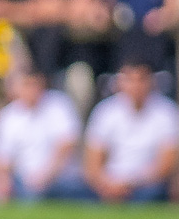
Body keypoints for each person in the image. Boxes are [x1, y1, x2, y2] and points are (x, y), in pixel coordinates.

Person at [71, 60, 178, 203]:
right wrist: (108, 184)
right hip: (108, 183)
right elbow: (92, 163)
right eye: (130, 80)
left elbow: (166, 165)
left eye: (140, 80)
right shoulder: (105, 111)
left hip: (148, 184)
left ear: (151, 82)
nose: (135, 86)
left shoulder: (166, 112)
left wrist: (129, 183)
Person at [0, 67, 83, 202]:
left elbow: (67, 145)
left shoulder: (59, 104)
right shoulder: (7, 116)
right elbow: (1, 159)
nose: (31, 90)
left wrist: (45, 176)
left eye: (34, 84)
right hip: (22, 182)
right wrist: (2, 184)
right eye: (26, 85)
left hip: (60, 181)